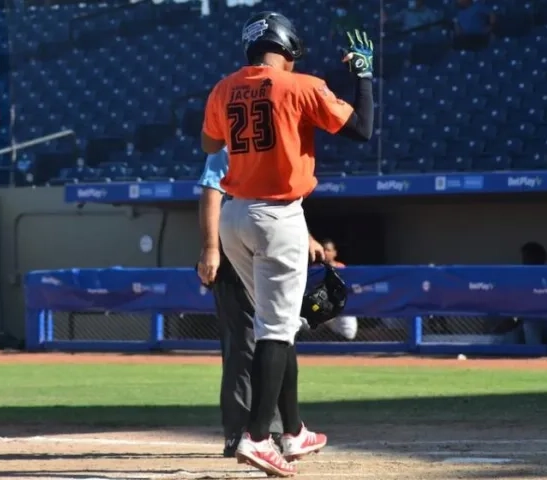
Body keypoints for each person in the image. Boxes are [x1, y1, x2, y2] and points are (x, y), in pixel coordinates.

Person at [196, 11, 374, 477]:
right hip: (278, 214)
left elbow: (210, 142)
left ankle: (293, 430)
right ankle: (258, 438)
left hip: (234, 215)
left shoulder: (222, 88)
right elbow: (362, 129)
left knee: (281, 323)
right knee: (276, 329)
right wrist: (364, 77)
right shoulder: (302, 85)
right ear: (288, 46)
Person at [197, 147, 285, 458]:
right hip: (233, 254)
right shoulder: (230, 145)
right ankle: (239, 432)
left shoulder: (274, 144)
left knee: (274, 338)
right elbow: (211, 190)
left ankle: (272, 429)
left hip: (266, 248)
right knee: (243, 345)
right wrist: (210, 248)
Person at [320, 239, 358, 340]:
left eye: (328, 250)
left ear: (334, 253)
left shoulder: (342, 268)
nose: (325, 252)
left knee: (349, 333)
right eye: (323, 250)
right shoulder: (314, 269)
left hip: (339, 308)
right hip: (319, 307)